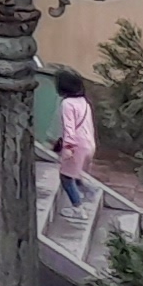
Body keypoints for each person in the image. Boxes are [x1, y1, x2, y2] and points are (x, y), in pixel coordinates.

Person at [57, 69, 99, 213]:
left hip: (76, 146)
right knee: (75, 173)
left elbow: (69, 128)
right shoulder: (84, 102)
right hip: (89, 144)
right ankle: (90, 191)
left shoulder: (67, 104)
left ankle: (78, 208)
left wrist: (68, 147)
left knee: (66, 178)